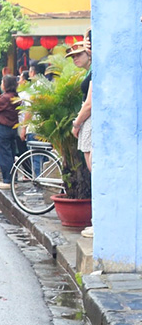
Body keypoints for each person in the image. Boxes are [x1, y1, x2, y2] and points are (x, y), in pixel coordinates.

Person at [69, 38, 93, 238]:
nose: (75, 59)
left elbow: (89, 103)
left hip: (90, 121)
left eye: (78, 54)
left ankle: (97, 221)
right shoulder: (88, 72)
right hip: (87, 121)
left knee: (94, 168)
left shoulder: (95, 71)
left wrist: (77, 123)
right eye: (73, 56)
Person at [0, 74, 21, 189]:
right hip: (12, 128)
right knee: (11, 154)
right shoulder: (14, 96)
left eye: (2, 82)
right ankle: (14, 179)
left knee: (4, 154)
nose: (1, 85)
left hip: (4, 128)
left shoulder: (6, 97)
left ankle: (7, 180)